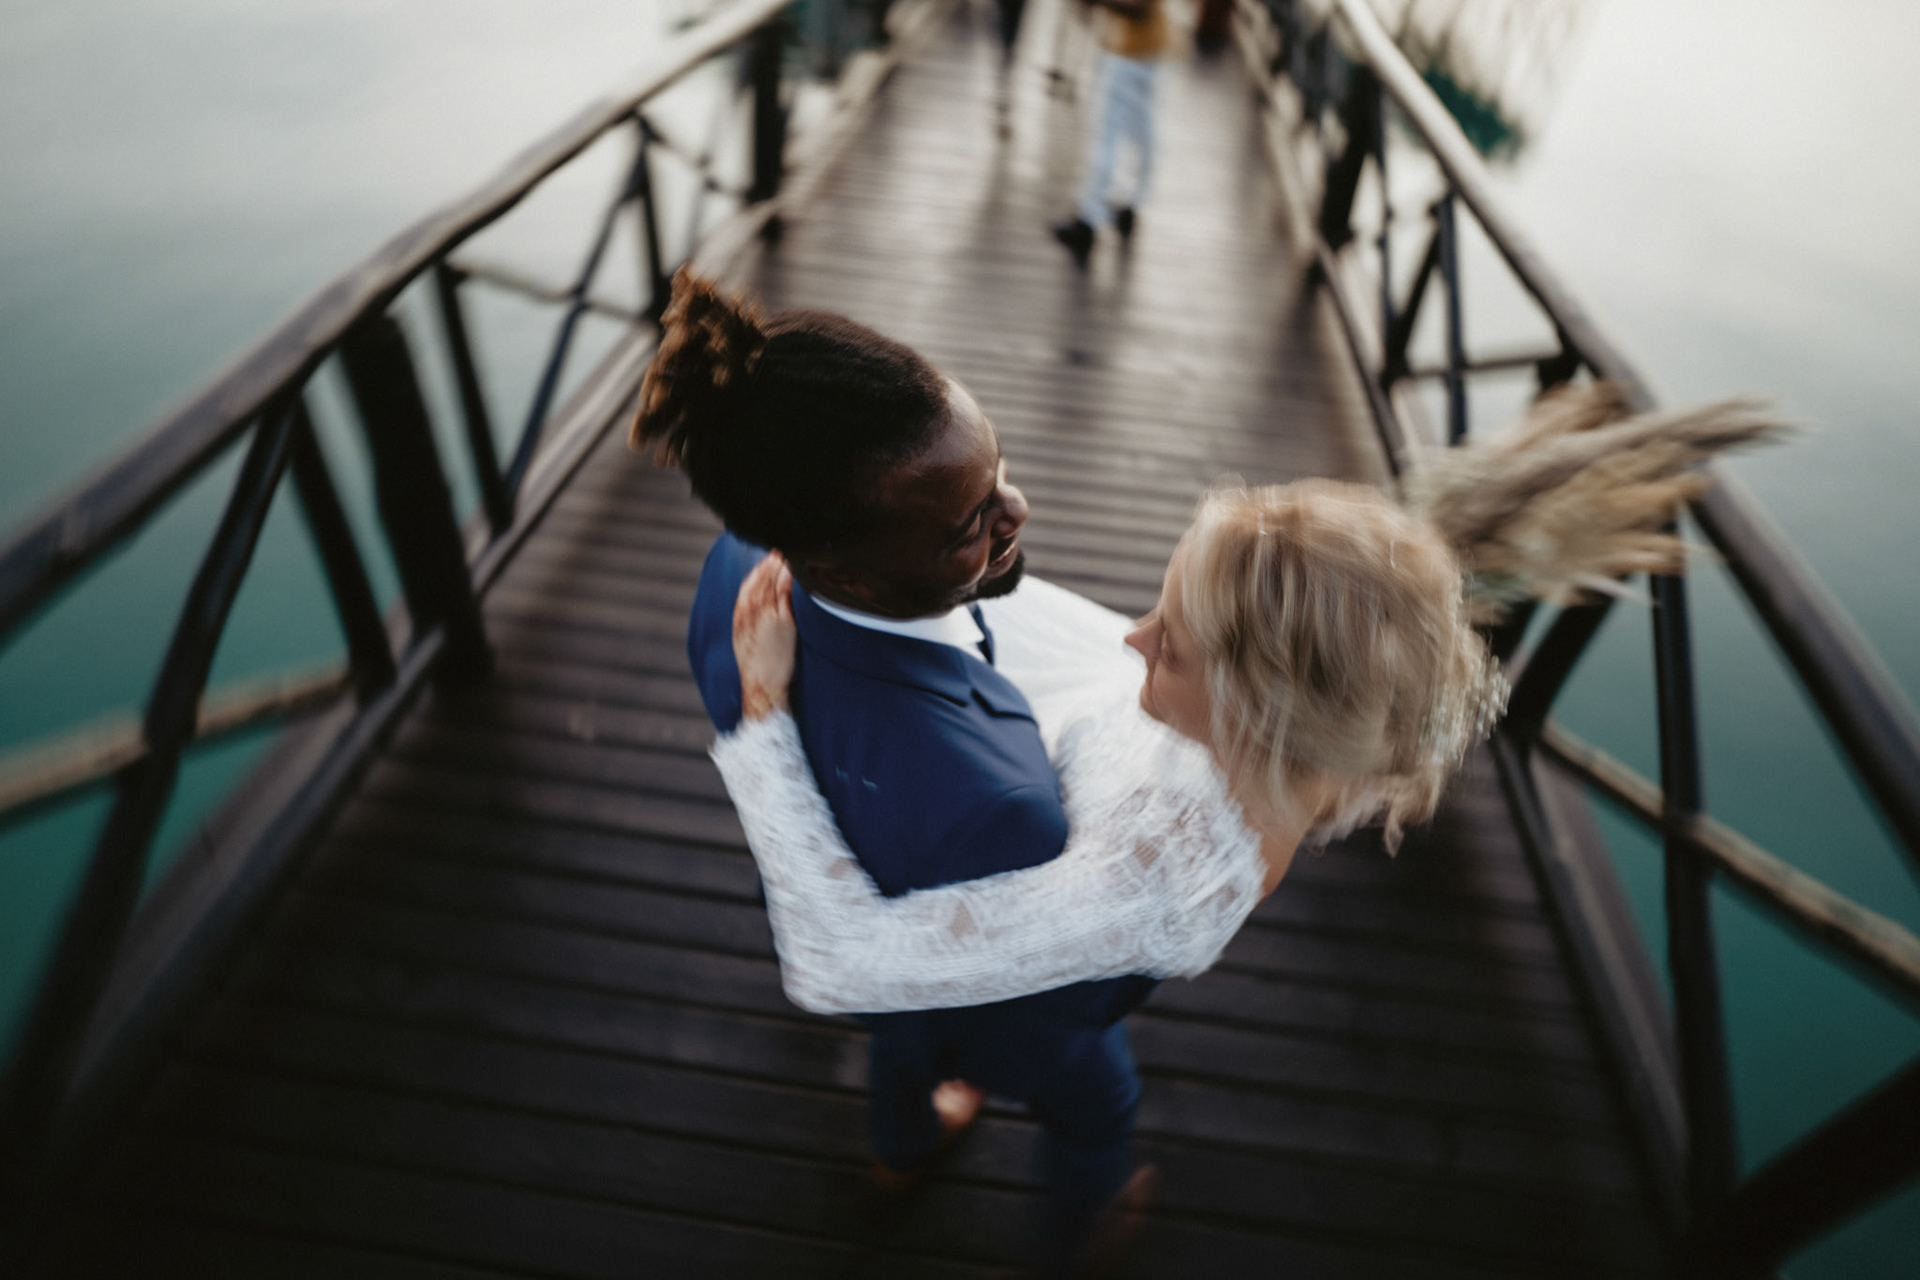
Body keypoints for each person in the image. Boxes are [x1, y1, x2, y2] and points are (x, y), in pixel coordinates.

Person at [709, 388, 1789, 1013]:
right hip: (1060, 731)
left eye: (1171, 643)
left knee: (1052, 1058)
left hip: (1039, 916)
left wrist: (763, 714)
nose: (1133, 636)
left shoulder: (1156, 878)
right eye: (1159, 604)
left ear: (1259, 718)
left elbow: (841, 964)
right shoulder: (1309, 717)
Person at [630, 268, 1156, 1276]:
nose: (1018, 507)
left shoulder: (736, 568)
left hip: (861, 905)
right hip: (976, 987)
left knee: (900, 1031)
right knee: (1101, 1103)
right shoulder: (1002, 804)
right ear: (847, 572)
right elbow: (1076, 984)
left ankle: (902, 1144)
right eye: (971, 525)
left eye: (999, 471)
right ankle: (1079, 1237)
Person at [1052, 0, 1172, 265]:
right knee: (1142, 129)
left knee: (1107, 134)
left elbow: (1137, 6)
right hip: (1149, 45)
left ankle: (1089, 218)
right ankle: (1131, 204)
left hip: (1127, 49)